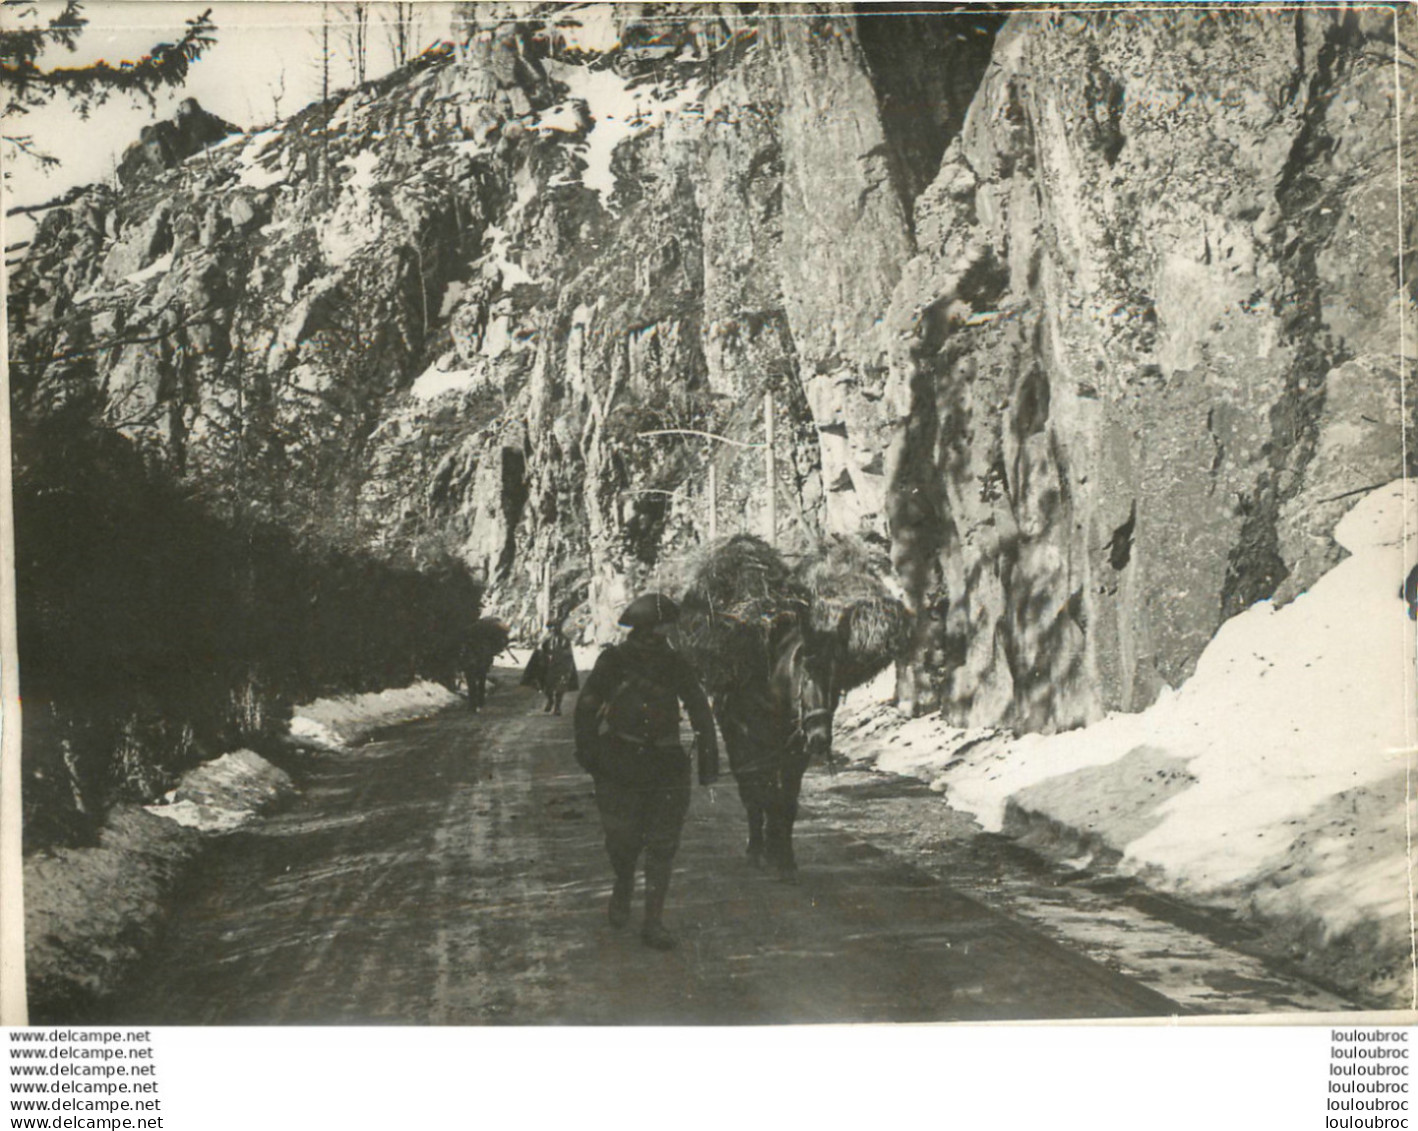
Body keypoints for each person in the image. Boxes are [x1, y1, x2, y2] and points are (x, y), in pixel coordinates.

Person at [573, 593, 719, 950]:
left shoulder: (675, 663)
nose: (670, 631)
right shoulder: (614, 661)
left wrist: (708, 760)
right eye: (665, 625)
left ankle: (653, 922)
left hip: (666, 764)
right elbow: (586, 707)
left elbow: (699, 708)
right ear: (648, 628)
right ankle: (623, 883)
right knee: (622, 843)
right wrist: (590, 754)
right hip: (620, 761)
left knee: (663, 845)